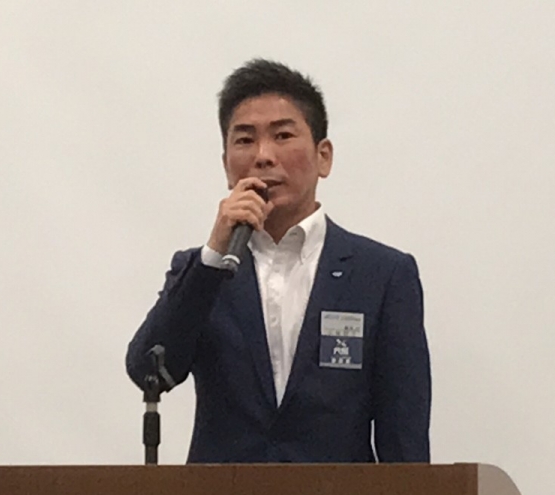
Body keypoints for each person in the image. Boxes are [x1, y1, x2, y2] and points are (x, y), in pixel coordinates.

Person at [126, 59, 431, 463]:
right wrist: (213, 255)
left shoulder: (382, 275)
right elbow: (147, 371)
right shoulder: (204, 272)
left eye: (283, 135)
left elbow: (404, 434)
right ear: (226, 164)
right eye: (245, 140)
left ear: (324, 157)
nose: (264, 156)